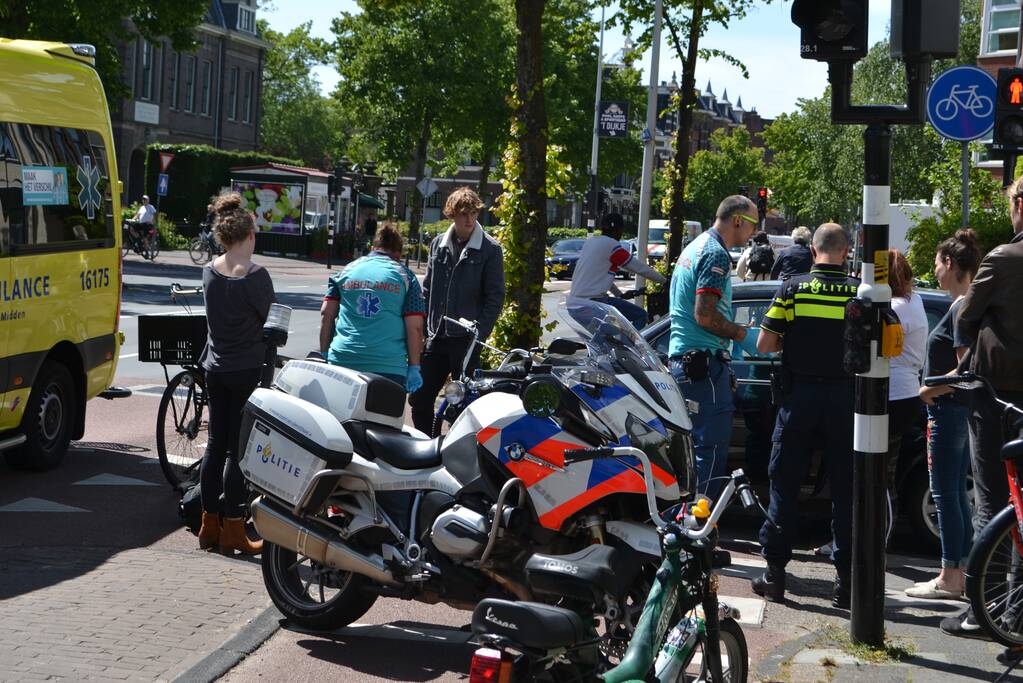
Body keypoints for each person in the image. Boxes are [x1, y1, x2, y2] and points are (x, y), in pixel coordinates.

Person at [750, 223, 859, 608]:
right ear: (846, 251)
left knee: (784, 485)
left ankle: (775, 575)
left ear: (813, 251)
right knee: (846, 492)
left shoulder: (793, 288)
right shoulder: (859, 292)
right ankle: (845, 583)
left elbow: (764, 344)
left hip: (798, 399)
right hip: (846, 401)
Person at [943, 179, 1023, 639]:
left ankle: (983, 611)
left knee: (993, 500)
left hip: (996, 396)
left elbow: (966, 314)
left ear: (1019, 205)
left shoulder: (1004, 259)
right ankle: (1015, 612)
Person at [196, 193, 276, 556]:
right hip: (245, 368)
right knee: (238, 450)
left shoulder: (209, 270)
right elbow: (270, 321)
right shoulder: (256, 277)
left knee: (215, 445)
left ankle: (207, 523)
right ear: (248, 237)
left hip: (215, 366)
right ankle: (233, 528)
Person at [904, 230, 980, 601]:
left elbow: (965, 368)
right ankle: (960, 570)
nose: (933, 270)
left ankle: (951, 575)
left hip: (948, 412)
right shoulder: (962, 304)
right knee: (955, 495)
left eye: (936, 262)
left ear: (950, 263)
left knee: (946, 494)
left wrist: (927, 391)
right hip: (955, 412)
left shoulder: (961, 306)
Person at [668, 195, 758, 499]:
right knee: (710, 450)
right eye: (753, 224)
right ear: (737, 220)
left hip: (687, 363)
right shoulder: (716, 254)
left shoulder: (693, 249)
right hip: (703, 367)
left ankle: (687, 523)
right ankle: (700, 525)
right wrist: (743, 334)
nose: (754, 233)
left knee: (692, 451)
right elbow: (704, 314)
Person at [409, 187, 505, 436]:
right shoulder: (437, 245)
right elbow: (427, 291)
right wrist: (422, 329)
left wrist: (480, 333)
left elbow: (495, 297)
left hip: (466, 339)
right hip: (437, 335)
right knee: (420, 397)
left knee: (463, 404)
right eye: (463, 214)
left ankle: (457, 451)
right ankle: (427, 444)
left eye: (473, 213)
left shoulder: (490, 249)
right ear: (452, 214)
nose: (469, 219)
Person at [319, 224, 425, 390]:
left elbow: (327, 314)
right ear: (398, 252)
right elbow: (415, 328)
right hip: (388, 367)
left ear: (373, 247)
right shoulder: (406, 277)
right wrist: (414, 367)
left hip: (342, 361)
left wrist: (324, 353)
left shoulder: (346, 270)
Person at [885, 249, 927, 529]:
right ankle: (879, 535)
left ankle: (877, 537)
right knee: (886, 470)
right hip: (908, 392)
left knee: (877, 472)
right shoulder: (916, 301)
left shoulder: (893, 309)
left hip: (891, 394)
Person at [569, 212, 667, 329]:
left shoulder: (591, 242)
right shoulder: (612, 246)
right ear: (618, 230)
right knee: (640, 316)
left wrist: (619, 295)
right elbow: (640, 268)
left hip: (574, 304)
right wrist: (665, 281)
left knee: (608, 340)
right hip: (593, 304)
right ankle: (631, 347)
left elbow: (599, 276)